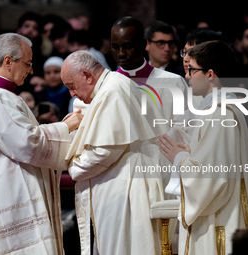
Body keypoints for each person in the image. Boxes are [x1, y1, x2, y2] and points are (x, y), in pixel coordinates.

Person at [0, 33, 83, 255]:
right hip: (13, 200)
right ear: (8, 61)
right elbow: (28, 144)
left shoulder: (2, 96)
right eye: (28, 64)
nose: (31, 71)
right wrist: (65, 127)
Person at [62, 50, 169, 255]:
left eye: (72, 86)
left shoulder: (113, 90)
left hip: (128, 188)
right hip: (120, 183)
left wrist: (73, 168)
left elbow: (104, 151)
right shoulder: (109, 87)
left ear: (87, 76)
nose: (72, 94)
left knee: (124, 248)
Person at [158, 40, 248, 254]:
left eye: (192, 70)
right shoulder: (217, 110)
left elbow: (212, 180)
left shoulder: (220, 113)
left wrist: (179, 158)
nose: (187, 77)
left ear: (210, 74)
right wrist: (189, 155)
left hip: (219, 221)